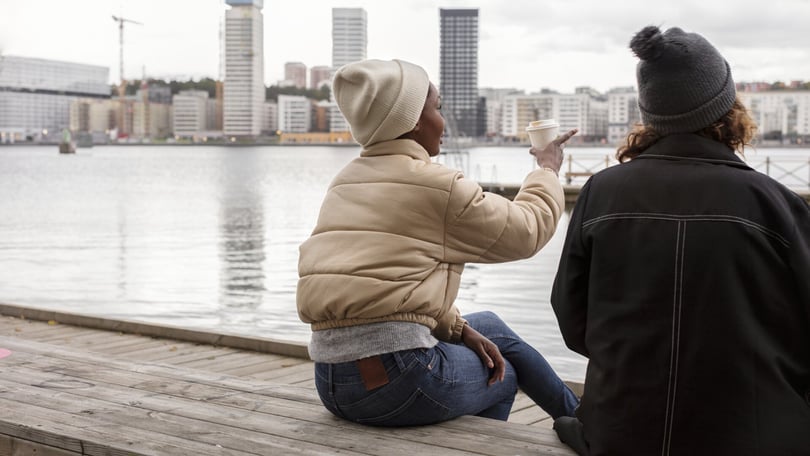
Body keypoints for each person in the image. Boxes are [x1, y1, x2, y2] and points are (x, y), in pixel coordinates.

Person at [551, 25, 810, 455]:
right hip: (754, 436)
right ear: (728, 107)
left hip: (621, 433)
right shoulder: (775, 203)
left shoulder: (601, 192)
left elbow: (572, 320)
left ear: (651, 114)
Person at [297, 58, 580, 426]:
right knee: (504, 374)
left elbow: (374, 287)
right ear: (413, 119)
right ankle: (586, 431)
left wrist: (459, 330)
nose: (443, 122)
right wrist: (546, 170)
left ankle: (583, 421)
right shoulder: (436, 185)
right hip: (397, 380)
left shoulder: (346, 182)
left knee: (487, 325)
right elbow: (526, 230)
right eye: (437, 107)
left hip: (331, 382)